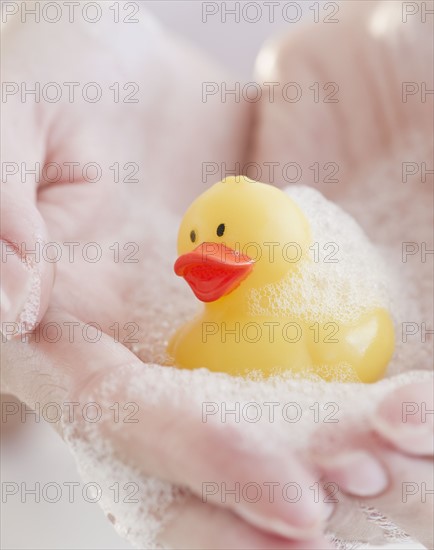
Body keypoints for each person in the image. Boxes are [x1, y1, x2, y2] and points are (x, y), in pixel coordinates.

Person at [1, 1, 432, 548]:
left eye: (223, 236)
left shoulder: (332, 327)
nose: (203, 259)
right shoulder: (192, 341)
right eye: (199, 244)